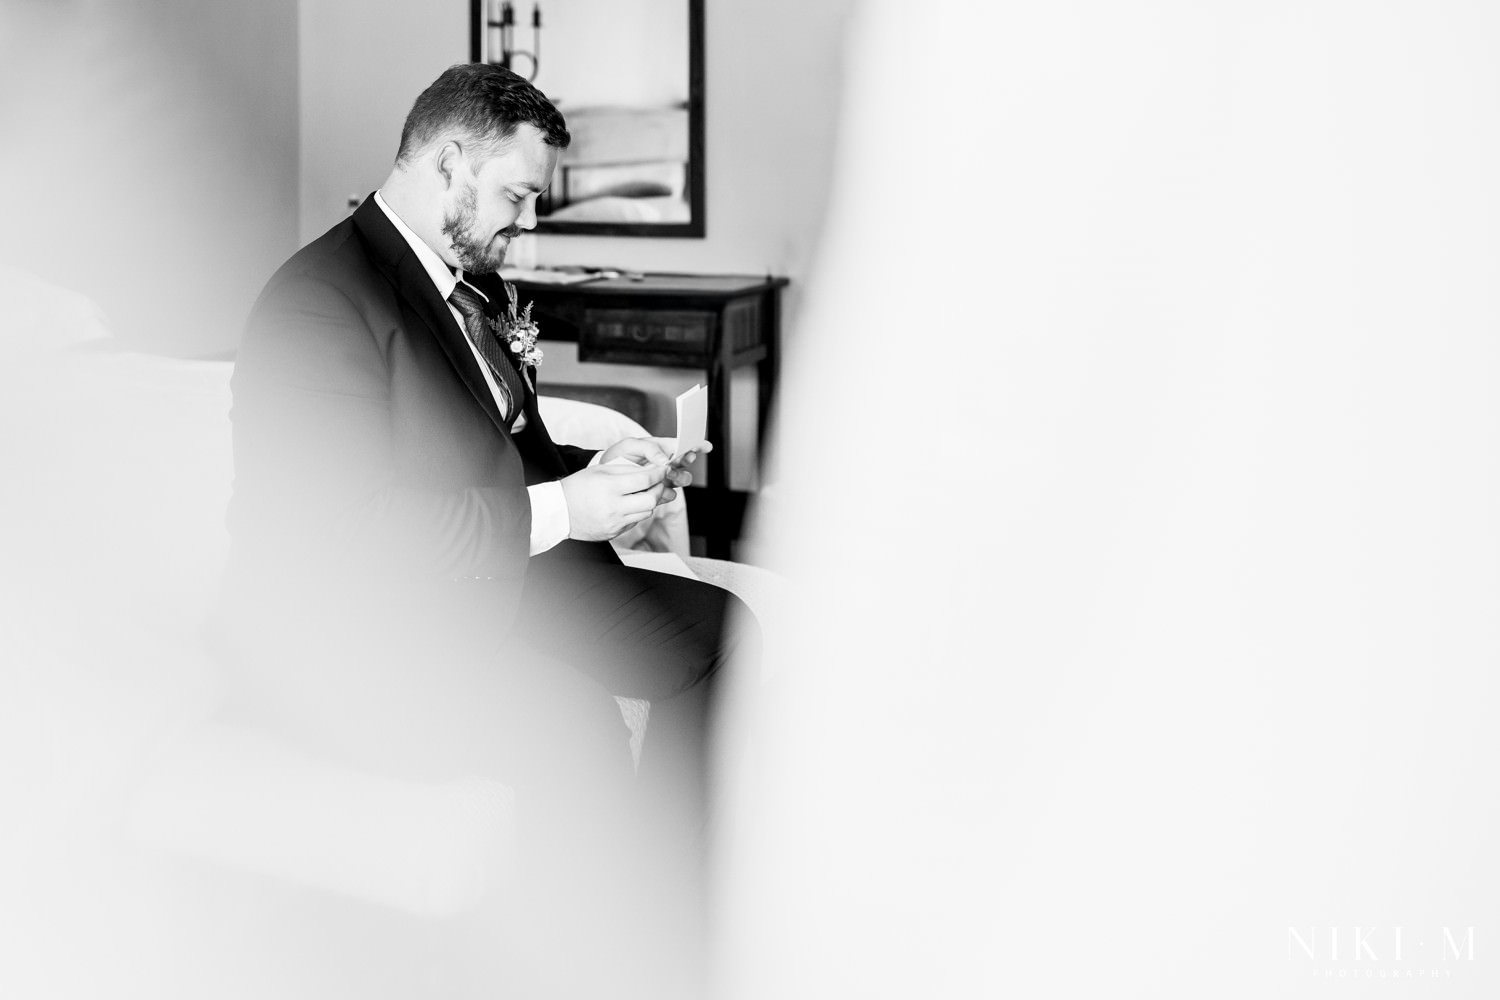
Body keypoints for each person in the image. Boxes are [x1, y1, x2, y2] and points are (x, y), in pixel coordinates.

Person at [219, 62, 748, 995]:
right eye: (519, 195)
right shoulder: (316, 303)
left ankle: (676, 923)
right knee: (568, 725)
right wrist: (560, 511)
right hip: (380, 623)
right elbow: (347, 535)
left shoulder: (473, 288)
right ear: (451, 161)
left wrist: (606, 482)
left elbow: (513, 450)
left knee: (728, 638)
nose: (530, 223)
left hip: (511, 568)